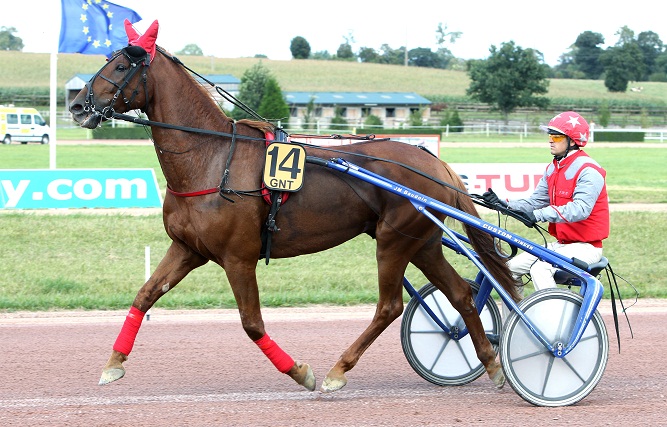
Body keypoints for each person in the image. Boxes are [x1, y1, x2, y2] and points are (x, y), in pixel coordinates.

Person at [482, 111, 610, 310]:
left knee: (541, 268)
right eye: (550, 136)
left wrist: (538, 215)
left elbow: (580, 210)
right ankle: (515, 326)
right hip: (561, 246)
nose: (551, 141)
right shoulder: (553, 168)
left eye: (556, 137)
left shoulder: (589, 170)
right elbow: (534, 202)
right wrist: (502, 203)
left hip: (587, 248)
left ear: (573, 141)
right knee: (508, 270)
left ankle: (552, 323)